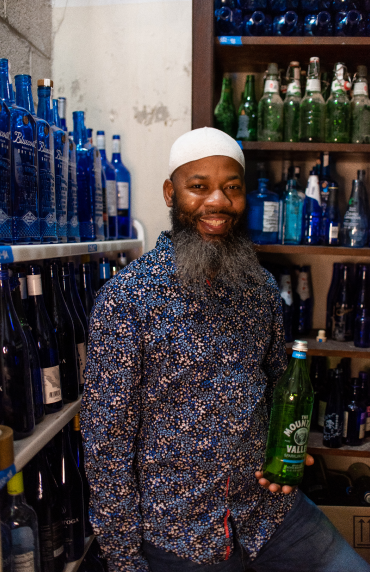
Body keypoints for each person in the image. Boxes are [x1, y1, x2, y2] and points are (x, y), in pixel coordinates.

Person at [81, 127, 370, 572]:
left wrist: (286, 454)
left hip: (268, 512)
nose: (217, 201)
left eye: (231, 188)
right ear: (169, 193)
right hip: (178, 532)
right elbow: (107, 448)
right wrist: (124, 560)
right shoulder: (126, 301)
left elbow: (282, 390)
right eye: (198, 186)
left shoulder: (260, 289)